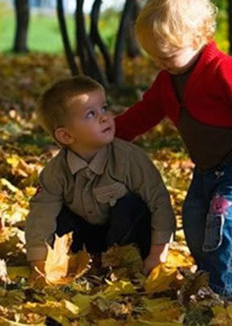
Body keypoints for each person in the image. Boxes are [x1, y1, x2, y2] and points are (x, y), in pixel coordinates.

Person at [114, 0, 232, 298]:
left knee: (225, 219)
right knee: (194, 219)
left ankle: (222, 290)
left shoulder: (223, 69)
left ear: (196, 38)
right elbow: (144, 112)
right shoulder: (167, 80)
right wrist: (112, 133)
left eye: (167, 55)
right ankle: (209, 273)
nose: (161, 63)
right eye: (155, 57)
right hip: (207, 168)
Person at [25, 75, 176, 280]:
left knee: (130, 206)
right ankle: (79, 261)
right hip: (87, 240)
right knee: (55, 212)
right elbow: (40, 218)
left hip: (128, 238)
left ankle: (122, 263)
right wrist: (39, 264)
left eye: (104, 108)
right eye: (90, 114)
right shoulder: (56, 172)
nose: (104, 117)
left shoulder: (130, 159)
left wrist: (158, 254)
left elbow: (160, 203)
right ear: (66, 136)